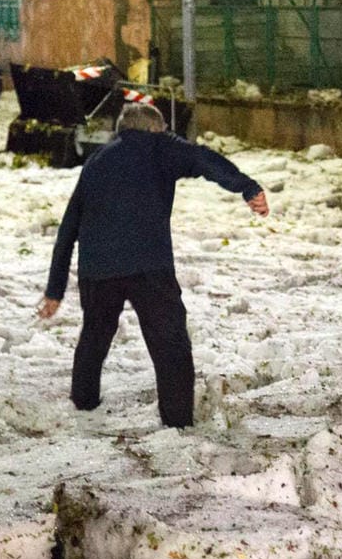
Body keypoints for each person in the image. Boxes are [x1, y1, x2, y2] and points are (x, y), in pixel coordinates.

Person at [37, 102, 268, 426]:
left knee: (94, 336)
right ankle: (177, 420)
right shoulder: (160, 146)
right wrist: (247, 186)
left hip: (98, 269)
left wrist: (54, 290)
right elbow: (203, 158)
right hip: (149, 266)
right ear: (154, 129)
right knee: (170, 342)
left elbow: (68, 228)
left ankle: (83, 405)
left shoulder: (96, 161)